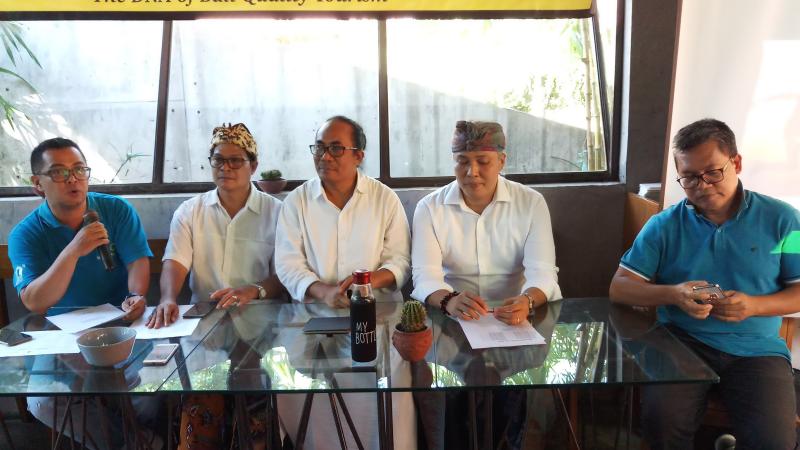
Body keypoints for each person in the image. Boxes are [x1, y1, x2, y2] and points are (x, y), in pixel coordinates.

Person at [609, 118, 800, 450]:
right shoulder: (663, 225)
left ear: (736, 163)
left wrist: (754, 306)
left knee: (774, 442)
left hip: (757, 351)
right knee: (661, 426)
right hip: (681, 344)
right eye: (689, 177)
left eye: (713, 172)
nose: (703, 185)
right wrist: (675, 294)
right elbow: (620, 287)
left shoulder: (785, 220)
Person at [411, 120, 562, 449]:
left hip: (516, 321)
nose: (472, 172)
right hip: (451, 323)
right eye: (462, 161)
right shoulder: (430, 208)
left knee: (523, 404)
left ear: (502, 161)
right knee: (447, 405)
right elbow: (424, 276)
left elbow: (543, 273)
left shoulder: (531, 203)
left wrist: (528, 300)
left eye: (483, 161)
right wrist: (448, 299)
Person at [274, 115, 413, 449]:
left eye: (336, 148)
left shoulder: (384, 199)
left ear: (358, 155)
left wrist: (366, 284)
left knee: (385, 393)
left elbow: (400, 262)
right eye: (320, 148)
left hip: (377, 316)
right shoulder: (297, 201)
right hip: (312, 316)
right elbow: (287, 263)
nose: (325, 156)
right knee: (298, 385)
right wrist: (323, 291)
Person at [8, 137, 156, 447]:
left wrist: (136, 294)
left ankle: (141, 439)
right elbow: (35, 301)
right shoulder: (25, 234)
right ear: (38, 184)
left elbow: (138, 260)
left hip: (122, 325)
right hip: (62, 334)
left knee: (149, 393)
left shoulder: (115, 209)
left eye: (79, 170)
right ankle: (133, 443)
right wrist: (74, 249)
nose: (73, 179)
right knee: (43, 403)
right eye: (59, 172)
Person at [146, 123, 284, 450]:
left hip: (261, 325)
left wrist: (254, 290)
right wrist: (167, 298)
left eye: (236, 160)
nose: (226, 168)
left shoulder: (277, 212)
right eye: (218, 160)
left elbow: (284, 276)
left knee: (255, 413)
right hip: (204, 328)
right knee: (200, 409)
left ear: (253, 165)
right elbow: (175, 261)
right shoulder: (191, 211)